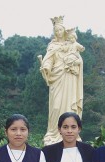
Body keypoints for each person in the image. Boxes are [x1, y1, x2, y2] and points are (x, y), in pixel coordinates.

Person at [39, 16, 83, 145]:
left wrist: (75, 62)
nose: (58, 33)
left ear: (64, 30)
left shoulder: (71, 45)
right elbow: (48, 59)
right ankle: (53, 133)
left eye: (60, 30)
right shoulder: (52, 46)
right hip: (56, 79)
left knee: (70, 106)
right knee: (56, 106)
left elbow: (79, 60)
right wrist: (46, 67)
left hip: (69, 78)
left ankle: (72, 135)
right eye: (56, 30)